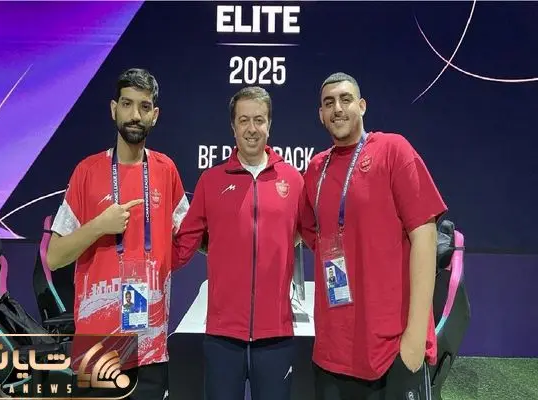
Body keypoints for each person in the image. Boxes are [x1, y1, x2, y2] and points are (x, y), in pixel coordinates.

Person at [298, 72, 447, 400]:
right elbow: (305, 234)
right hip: (332, 352)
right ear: (321, 114)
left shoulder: (393, 150)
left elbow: (425, 237)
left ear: (362, 106)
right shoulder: (316, 169)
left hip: (390, 351)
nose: (337, 108)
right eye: (328, 103)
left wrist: (414, 338)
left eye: (346, 99)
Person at [46, 68, 189, 400]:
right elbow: (54, 257)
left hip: (150, 347)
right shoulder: (86, 171)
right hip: (98, 349)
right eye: (127, 104)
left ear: (155, 115)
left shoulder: (166, 170)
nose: (135, 115)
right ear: (114, 109)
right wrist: (100, 225)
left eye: (144, 106)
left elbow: (191, 235)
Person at [172, 86, 303, 400]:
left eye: (259, 120)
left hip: (276, 335)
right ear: (233, 126)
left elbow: (310, 234)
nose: (252, 128)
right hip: (223, 336)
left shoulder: (293, 180)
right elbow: (182, 248)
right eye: (244, 120)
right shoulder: (211, 181)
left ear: (269, 124)